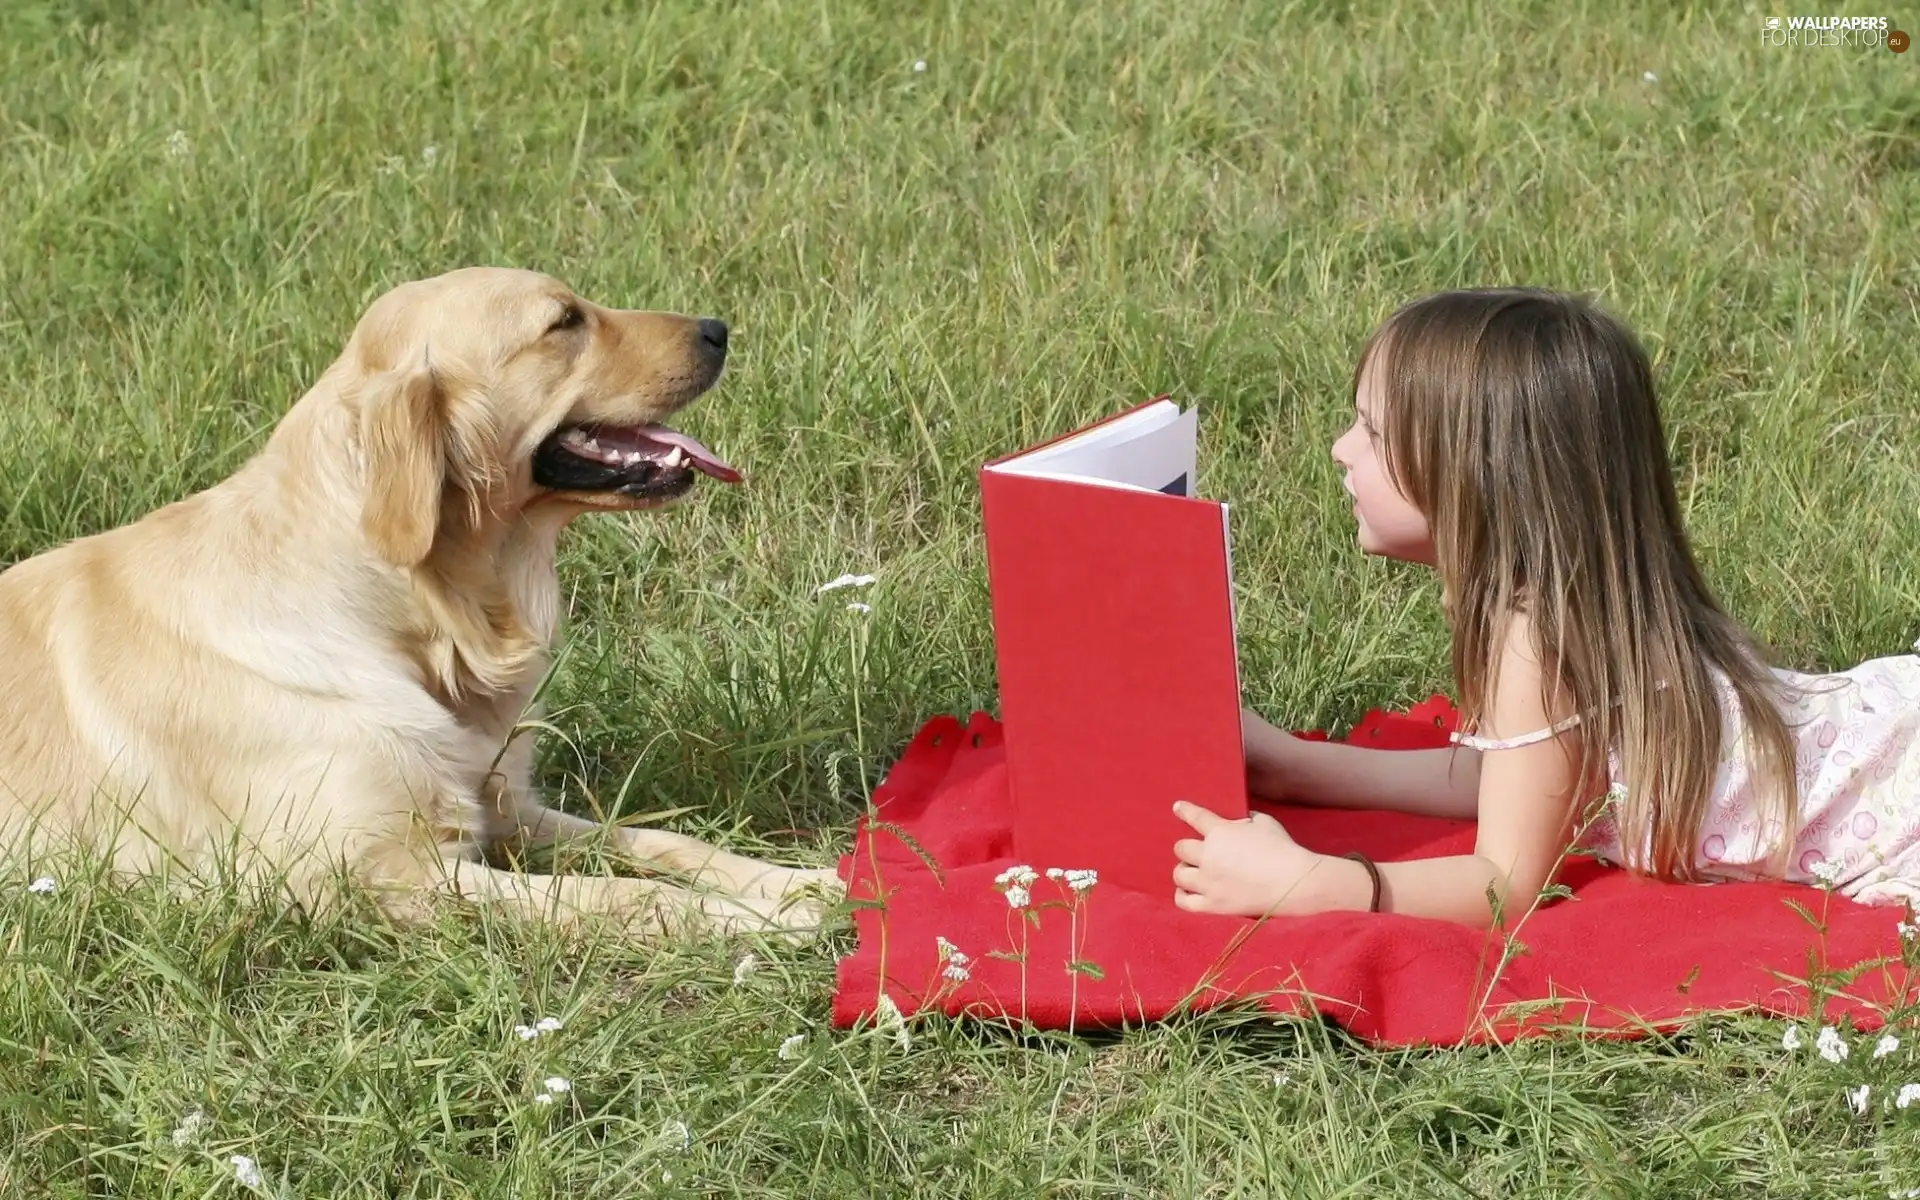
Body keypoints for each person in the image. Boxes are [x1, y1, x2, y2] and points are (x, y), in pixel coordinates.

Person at [1170, 287, 1920, 927]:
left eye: (1371, 431)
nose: (1341, 449)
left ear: (1474, 473)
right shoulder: (1565, 609)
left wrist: (1311, 885)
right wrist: (1295, 765)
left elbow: (1504, 882)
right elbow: (1513, 779)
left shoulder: (1539, 638)